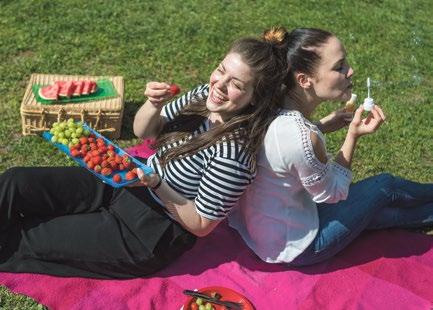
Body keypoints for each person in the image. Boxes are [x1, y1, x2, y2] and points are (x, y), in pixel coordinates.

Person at [0, 33, 289, 279]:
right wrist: (153, 105)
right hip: (126, 180)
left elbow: (201, 225)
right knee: (16, 182)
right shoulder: (204, 95)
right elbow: (144, 132)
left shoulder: (234, 154)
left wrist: (156, 184)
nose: (219, 84)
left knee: (28, 238)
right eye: (221, 69)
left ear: (256, 97)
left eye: (236, 84)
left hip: (151, 229)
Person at [228, 27, 433, 266]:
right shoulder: (302, 136)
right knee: (384, 186)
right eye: (339, 67)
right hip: (301, 245)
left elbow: (282, 150)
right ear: (304, 80)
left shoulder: (269, 106)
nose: (350, 71)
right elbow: (333, 194)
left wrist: (322, 125)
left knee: (376, 213)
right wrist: (353, 135)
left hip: (266, 232)